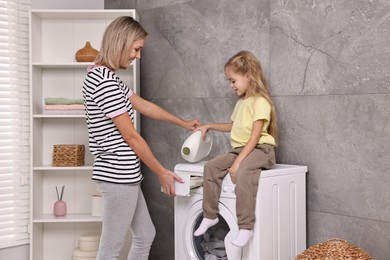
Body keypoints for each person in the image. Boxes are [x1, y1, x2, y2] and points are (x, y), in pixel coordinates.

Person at [82, 16, 199, 260]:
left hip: (125, 174)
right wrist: (161, 171)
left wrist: (182, 123)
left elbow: (144, 105)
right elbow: (132, 137)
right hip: (118, 175)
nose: (138, 56)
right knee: (110, 250)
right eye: (136, 49)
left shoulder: (106, 76)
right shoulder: (104, 81)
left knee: (145, 235)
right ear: (121, 42)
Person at [193, 50, 278, 247]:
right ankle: (210, 215)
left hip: (261, 149)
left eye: (233, 80)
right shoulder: (241, 103)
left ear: (248, 75)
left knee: (245, 171)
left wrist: (238, 163)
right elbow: (234, 126)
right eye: (229, 81)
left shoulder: (261, 102)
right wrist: (209, 126)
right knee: (211, 167)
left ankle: (246, 227)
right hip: (241, 149)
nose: (231, 85)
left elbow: (255, 136)